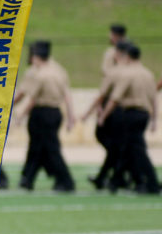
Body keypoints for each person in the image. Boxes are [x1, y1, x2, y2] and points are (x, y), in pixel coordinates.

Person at [13, 41, 76, 191]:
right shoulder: (59, 70)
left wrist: (20, 114)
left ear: (36, 57)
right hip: (55, 112)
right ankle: (28, 178)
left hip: (41, 113)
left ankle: (65, 180)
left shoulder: (39, 74)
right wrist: (70, 116)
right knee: (39, 147)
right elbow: (67, 95)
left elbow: (31, 98)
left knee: (49, 148)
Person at [98, 43, 159, 194]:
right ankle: (117, 180)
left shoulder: (127, 74)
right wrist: (154, 119)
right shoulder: (148, 73)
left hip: (130, 114)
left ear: (127, 57)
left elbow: (115, 98)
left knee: (137, 150)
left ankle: (152, 183)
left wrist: (103, 115)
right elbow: (154, 99)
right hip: (143, 114)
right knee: (128, 148)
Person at [83, 40, 128, 189]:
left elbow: (106, 96)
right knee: (118, 148)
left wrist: (95, 113)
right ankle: (112, 176)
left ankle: (118, 175)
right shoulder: (133, 71)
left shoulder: (115, 72)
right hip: (127, 112)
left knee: (116, 147)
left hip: (116, 112)